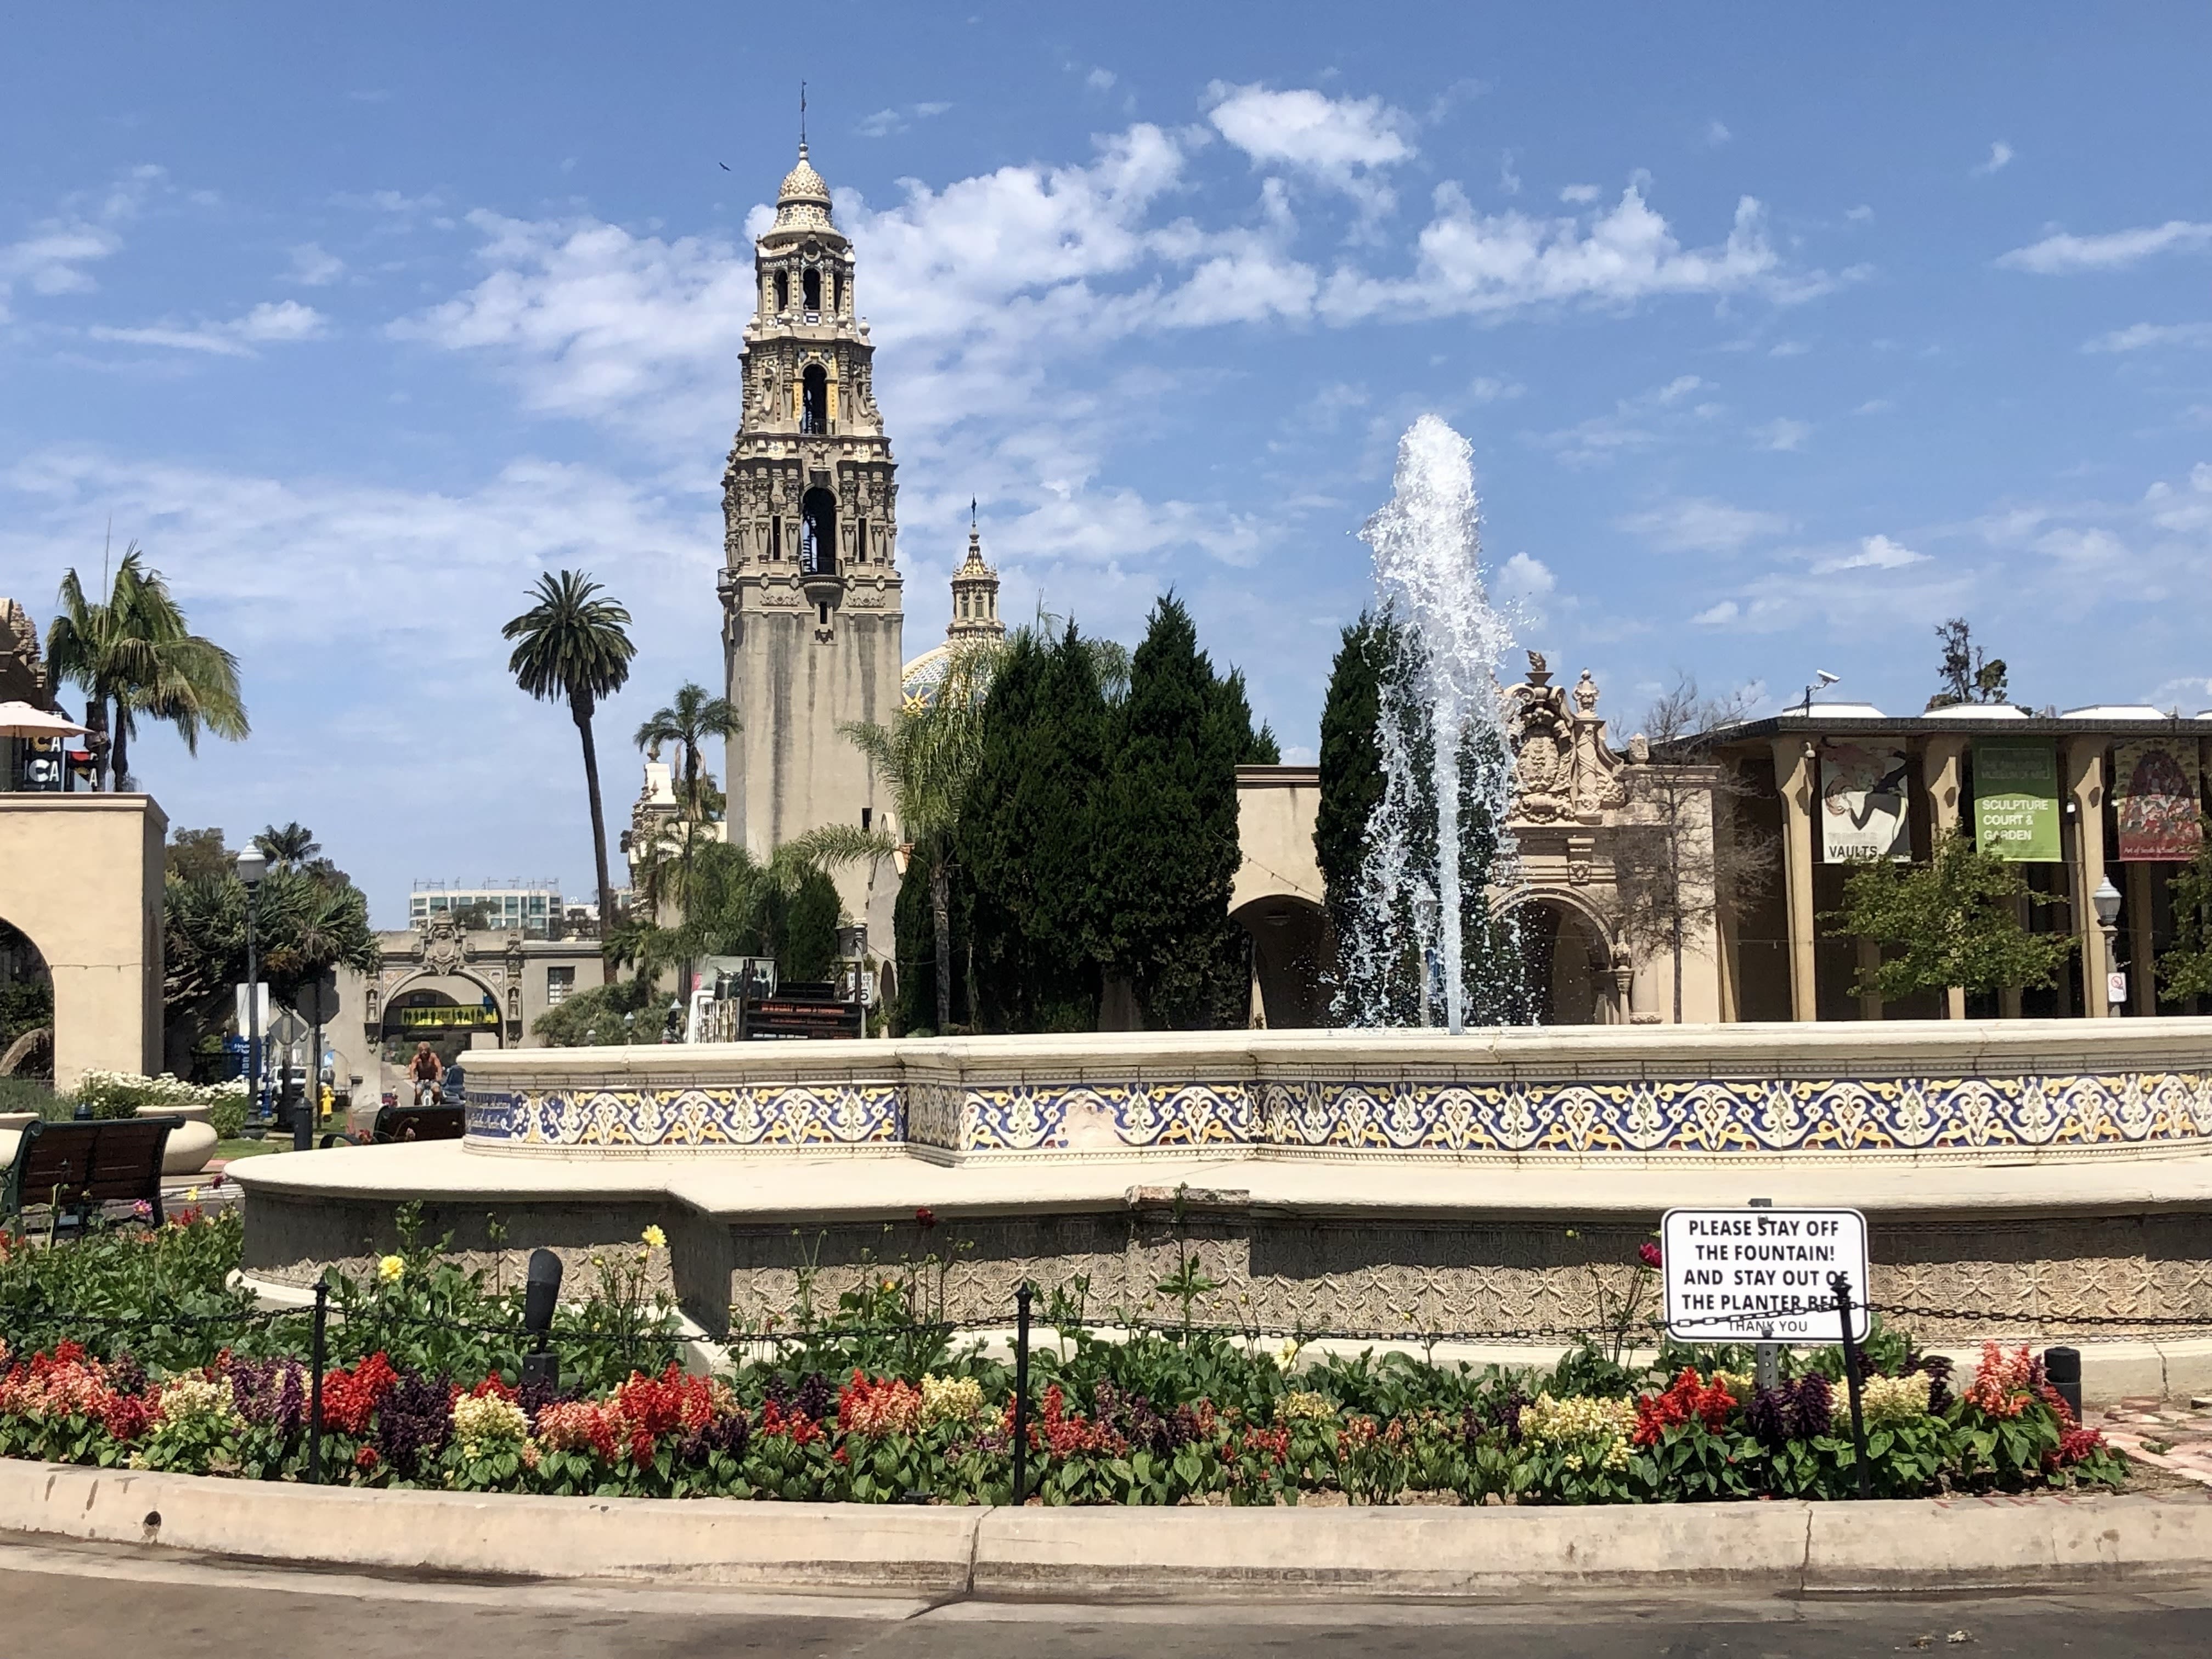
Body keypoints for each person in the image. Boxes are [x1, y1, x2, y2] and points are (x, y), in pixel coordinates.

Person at [408, 1041, 444, 1108]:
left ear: (429, 1050)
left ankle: (436, 1103)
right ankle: (418, 1105)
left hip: (432, 1080)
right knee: (418, 1092)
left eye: (426, 1050)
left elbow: (439, 1067)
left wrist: (439, 1076)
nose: (424, 1053)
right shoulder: (416, 1058)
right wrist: (413, 1078)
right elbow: (412, 1069)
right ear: (419, 1051)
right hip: (421, 1080)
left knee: (437, 1091)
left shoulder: (433, 1057)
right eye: (422, 1050)